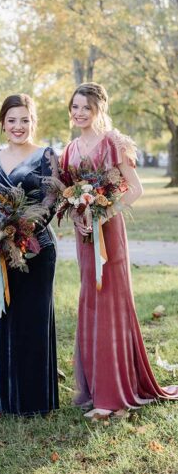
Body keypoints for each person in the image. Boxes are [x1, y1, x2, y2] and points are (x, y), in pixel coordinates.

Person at [61, 82, 178, 417]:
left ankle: (114, 399)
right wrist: (78, 214)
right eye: (75, 107)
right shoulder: (70, 150)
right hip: (85, 236)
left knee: (110, 303)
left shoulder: (113, 143)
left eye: (86, 107)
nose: (79, 113)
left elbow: (135, 189)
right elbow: (68, 194)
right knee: (91, 303)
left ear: (100, 108)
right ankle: (98, 388)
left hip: (109, 234)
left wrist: (102, 212)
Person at [0, 94, 59, 416]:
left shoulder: (46, 156)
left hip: (36, 250)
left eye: (24, 120)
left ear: (33, 121)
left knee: (32, 322)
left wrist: (20, 231)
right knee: (3, 318)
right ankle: (1, 400)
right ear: (2, 123)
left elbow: (51, 201)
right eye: (12, 120)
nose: (18, 126)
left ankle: (33, 402)